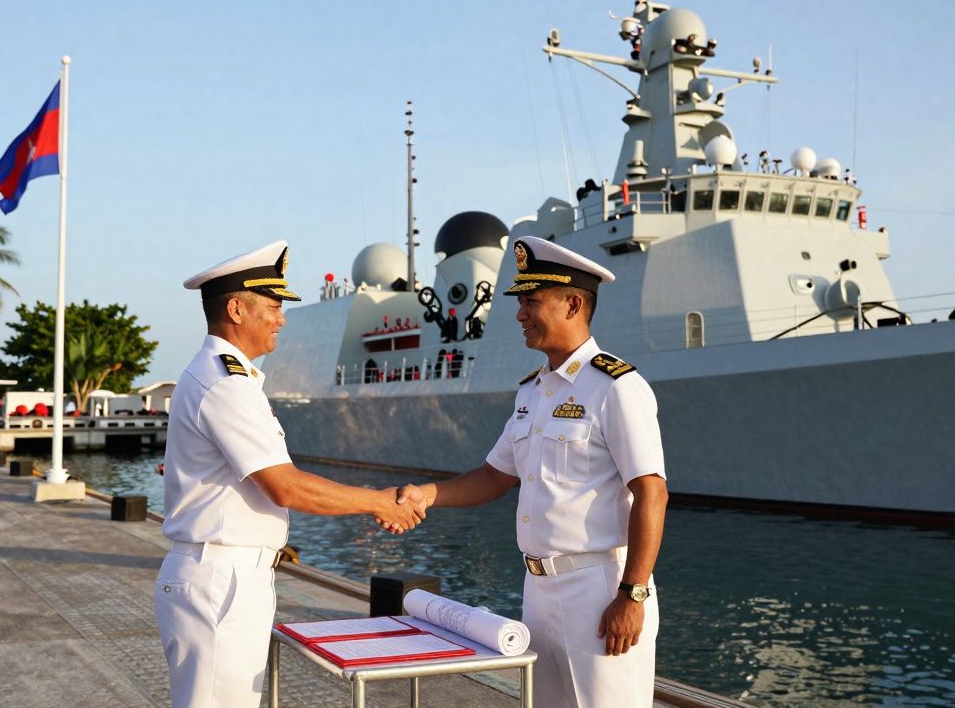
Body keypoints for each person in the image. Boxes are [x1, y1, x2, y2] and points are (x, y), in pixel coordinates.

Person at [396, 236, 669, 708]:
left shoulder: (616, 387)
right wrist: (427, 495)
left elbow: (652, 493)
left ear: (573, 304)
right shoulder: (533, 392)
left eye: (531, 302)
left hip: (600, 590)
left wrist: (633, 595)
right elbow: (495, 476)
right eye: (520, 302)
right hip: (538, 590)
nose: (520, 314)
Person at [155, 240, 424, 708]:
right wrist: (380, 502)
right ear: (237, 309)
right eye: (275, 307)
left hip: (228, 573)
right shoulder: (225, 384)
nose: (282, 318)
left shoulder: (222, 378)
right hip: (221, 577)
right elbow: (284, 485)